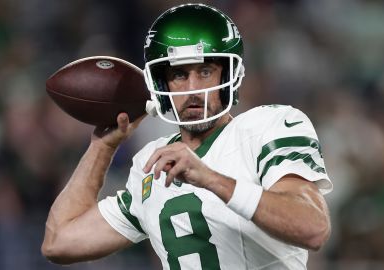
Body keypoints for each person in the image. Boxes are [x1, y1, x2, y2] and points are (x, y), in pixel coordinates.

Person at [41, 3, 333, 269]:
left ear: (228, 76)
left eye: (205, 71)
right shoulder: (151, 165)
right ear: (161, 82)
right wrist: (103, 146)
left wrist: (210, 179)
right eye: (179, 75)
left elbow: (313, 228)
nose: (192, 87)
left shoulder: (267, 127)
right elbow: (59, 241)